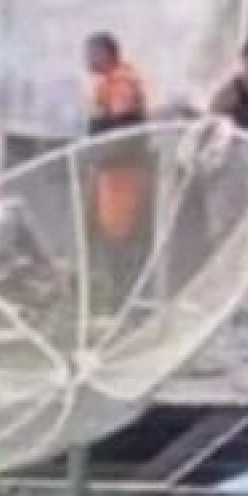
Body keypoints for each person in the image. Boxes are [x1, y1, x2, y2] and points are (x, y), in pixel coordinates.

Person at [83, 33, 152, 309]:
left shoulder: (122, 82)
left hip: (124, 174)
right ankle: (114, 293)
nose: (87, 60)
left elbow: (122, 127)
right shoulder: (106, 83)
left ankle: (123, 298)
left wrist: (99, 133)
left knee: (121, 235)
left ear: (106, 53)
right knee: (104, 232)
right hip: (109, 172)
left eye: (91, 53)